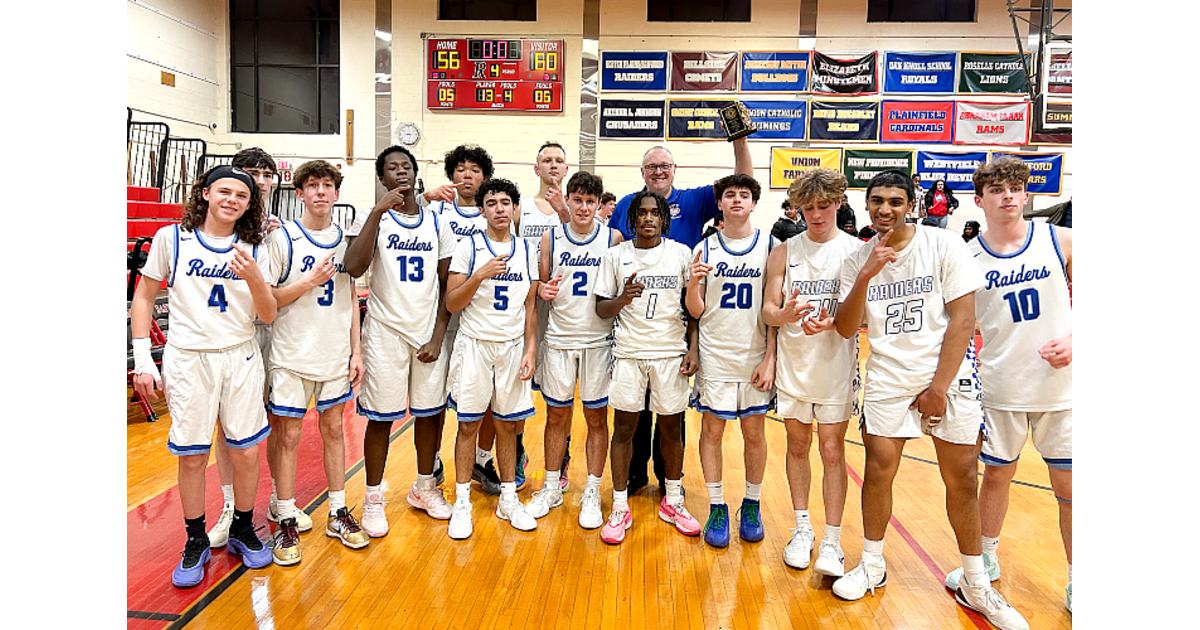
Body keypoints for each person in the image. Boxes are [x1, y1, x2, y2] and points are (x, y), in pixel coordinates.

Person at [830, 171, 1028, 630]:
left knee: (961, 477)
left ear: (911, 204)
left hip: (947, 375)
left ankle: (976, 584)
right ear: (866, 204)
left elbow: (963, 320)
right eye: (877, 200)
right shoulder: (858, 258)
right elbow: (845, 328)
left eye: (895, 201)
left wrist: (938, 386)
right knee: (878, 471)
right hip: (886, 377)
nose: (885, 209)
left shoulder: (943, 245)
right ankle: (873, 564)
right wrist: (865, 274)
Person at [130, 165, 276, 587]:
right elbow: (143, 297)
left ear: (250, 204)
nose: (232, 200)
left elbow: (268, 314)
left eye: (242, 196)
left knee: (246, 453)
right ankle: (195, 539)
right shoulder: (170, 239)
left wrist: (253, 277)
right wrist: (143, 358)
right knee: (193, 455)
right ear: (206, 193)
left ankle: (243, 528)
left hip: (240, 355)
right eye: (224, 192)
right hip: (188, 358)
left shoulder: (254, 246)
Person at [943, 158, 1074, 613]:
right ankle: (986, 560)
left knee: (1071, 488)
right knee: (996, 476)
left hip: (1062, 388)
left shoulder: (1059, 240)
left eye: (1016, 187)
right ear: (979, 200)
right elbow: (956, 325)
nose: (1009, 196)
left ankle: (1080, 579)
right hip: (999, 388)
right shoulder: (965, 258)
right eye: (997, 189)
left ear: (1026, 194)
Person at [609, 140, 752, 494]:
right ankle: (633, 476)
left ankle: (671, 482)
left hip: (678, 323)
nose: (658, 171)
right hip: (636, 327)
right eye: (651, 167)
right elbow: (611, 248)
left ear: (675, 170)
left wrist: (740, 143)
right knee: (635, 413)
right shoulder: (627, 204)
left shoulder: (694, 199)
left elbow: (743, 181)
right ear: (642, 173)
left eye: (664, 166)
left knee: (671, 416)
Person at [343, 145, 458, 536]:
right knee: (381, 418)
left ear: (415, 173)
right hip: (385, 332)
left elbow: (448, 284)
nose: (401, 172)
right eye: (392, 168)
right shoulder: (374, 218)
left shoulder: (436, 221)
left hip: (426, 331)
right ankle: (373, 497)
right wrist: (377, 212)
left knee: (429, 415)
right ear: (382, 179)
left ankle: (425, 487)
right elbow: (353, 266)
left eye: (406, 166)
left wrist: (440, 334)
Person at [261, 160, 368, 564]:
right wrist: (308, 281)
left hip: (334, 353)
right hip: (290, 354)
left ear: (337, 194)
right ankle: (285, 513)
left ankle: (338, 511)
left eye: (327, 185)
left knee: (335, 432)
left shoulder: (346, 242)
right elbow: (268, 300)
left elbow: (353, 300)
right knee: (287, 436)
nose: (321, 192)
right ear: (300, 193)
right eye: (313, 185)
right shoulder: (282, 238)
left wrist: (356, 351)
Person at [762, 168, 861, 576]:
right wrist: (783, 313)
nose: (816, 214)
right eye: (808, 207)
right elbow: (769, 310)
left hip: (836, 368)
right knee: (798, 446)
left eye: (824, 206)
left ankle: (833, 542)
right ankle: (802, 529)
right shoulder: (784, 251)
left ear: (838, 202)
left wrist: (836, 323)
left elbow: (865, 316)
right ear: (797, 208)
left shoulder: (856, 251)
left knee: (833, 452)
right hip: (794, 366)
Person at [594, 191, 701, 544]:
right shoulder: (615, 257)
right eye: (642, 213)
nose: (648, 219)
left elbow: (693, 309)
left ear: (664, 219)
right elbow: (601, 309)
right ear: (632, 218)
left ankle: (673, 499)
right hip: (628, 353)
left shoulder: (681, 254)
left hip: (671, 353)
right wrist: (623, 298)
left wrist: (694, 349)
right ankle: (620, 505)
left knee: (672, 429)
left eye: (655, 213)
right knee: (624, 429)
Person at [525, 171, 623, 528]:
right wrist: (541, 292)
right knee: (556, 417)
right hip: (559, 340)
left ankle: (593, 492)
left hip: (598, 342)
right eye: (577, 200)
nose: (583, 207)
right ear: (567, 200)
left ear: (600, 205)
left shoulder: (612, 237)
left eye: (590, 201)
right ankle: (551, 487)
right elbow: (539, 286)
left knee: (597, 419)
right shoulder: (550, 238)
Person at [445, 178, 540, 539]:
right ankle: (463, 502)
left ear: (515, 208)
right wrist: (479, 275)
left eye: (505, 202)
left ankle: (509, 499)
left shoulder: (528, 250)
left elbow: (531, 307)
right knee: (468, 425)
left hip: (513, 347)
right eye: (491, 203)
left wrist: (531, 349)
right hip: (475, 345)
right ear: (482, 209)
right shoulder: (468, 247)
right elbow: (452, 302)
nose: (499, 208)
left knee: (507, 426)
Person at [686, 174, 775, 548]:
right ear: (719, 204)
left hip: (754, 354)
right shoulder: (705, 248)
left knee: (754, 434)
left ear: (754, 203)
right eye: (729, 195)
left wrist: (771, 357)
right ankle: (717, 505)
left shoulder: (772, 245)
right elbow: (697, 310)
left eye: (744, 195)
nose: (736, 200)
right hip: (716, 354)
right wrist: (692, 284)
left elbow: (775, 309)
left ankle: (751, 503)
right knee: (713, 432)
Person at [205, 147, 285, 548]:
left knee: (274, 419)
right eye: (252, 172)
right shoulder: (215, 227)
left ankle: (277, 499)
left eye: (267, 173)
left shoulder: (280, 230)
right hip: (229, 334)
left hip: (273, 331)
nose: (262, 179)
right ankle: (231, 506)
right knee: (227, 424)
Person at [425, 144, 506, 496]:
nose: (467, 175)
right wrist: (423, 195)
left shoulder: (496, 214)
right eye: (460, 169)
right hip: (442, 314)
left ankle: (482, 458)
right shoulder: (437, 209)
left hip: (482, 319)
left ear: (485, 177)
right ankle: (433, 461)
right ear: (451, 175)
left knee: (486, 399)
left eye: (474, 169)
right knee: (434, 396)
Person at [515, 141, 573, 490]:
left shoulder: (577, 210)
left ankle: (561, 462)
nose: (553, 165)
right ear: (536, 169)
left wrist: (563, 210)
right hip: (528, 307)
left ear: (566, 169)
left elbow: (584, 245)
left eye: (559, 160)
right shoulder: (521, 209)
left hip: (565, 312)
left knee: (561, 397)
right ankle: (518, 455)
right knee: (521, 389)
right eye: (546, 160)